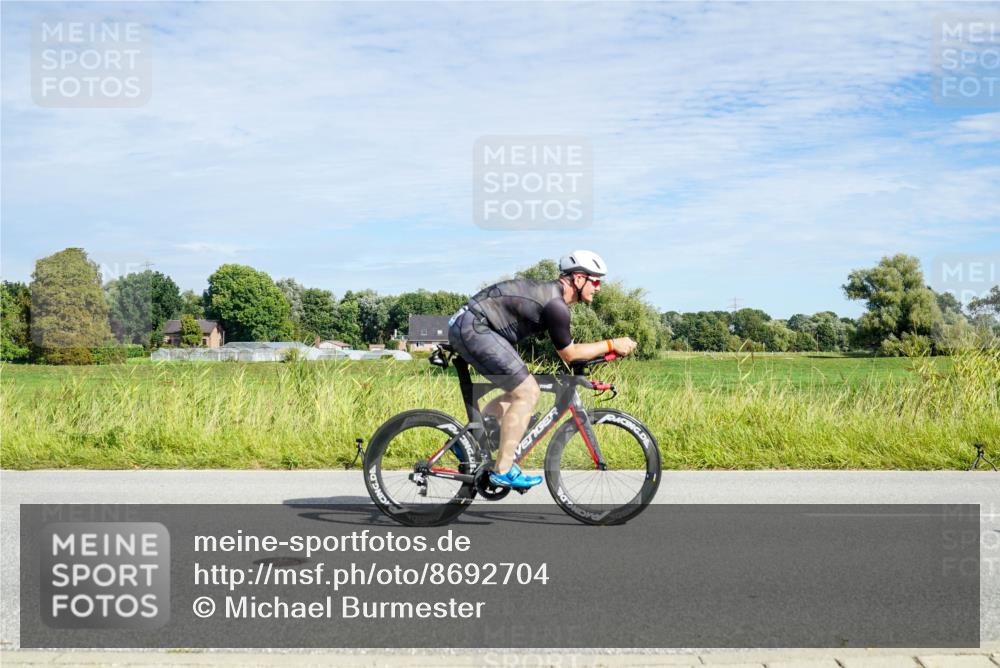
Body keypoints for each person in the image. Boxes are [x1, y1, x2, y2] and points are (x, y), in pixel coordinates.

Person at [447, 250, 638, 490]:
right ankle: (503, 470)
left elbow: (569, 353)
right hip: (474, 327)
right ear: (578, 279)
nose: (598, 287)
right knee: (527, 392)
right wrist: (612, 344)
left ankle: (467, 441)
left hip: (471, 324)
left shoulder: (552, 298)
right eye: (596, 280)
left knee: (520, 390)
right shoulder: (556, 306)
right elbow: (569, 354)